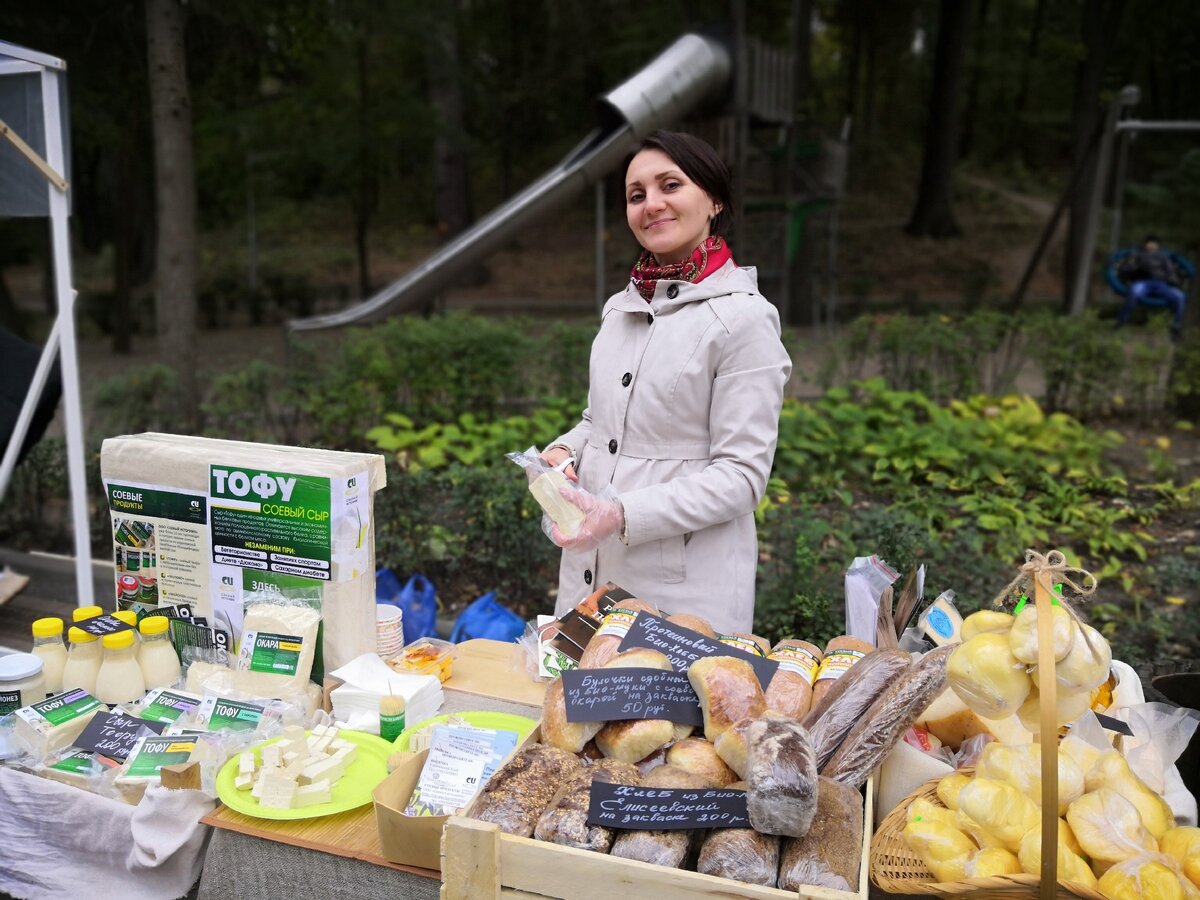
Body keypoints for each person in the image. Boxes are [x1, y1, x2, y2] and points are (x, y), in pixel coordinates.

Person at [539, 130, 792, 635]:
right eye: (636, 195)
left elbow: (742, 478)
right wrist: (563, 453)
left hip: (682, 595)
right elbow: (601, 420)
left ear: (714, 200)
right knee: (574, 706)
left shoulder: (744, 319)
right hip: (591, 572)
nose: (651, 204)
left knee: (666, 716)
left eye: (669, 185)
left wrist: (622, 513)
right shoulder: (620, 308)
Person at [1116, 236, 1188, 337]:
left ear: (1158, 246)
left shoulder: (1163, 257)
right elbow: (1129, 269)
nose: (1151, 245)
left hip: (1161, 284)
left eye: (1154, 243)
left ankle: (1176, 326)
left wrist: (1172, 281)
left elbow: (1170, 272)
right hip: (1144, 282)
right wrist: (1134, 270)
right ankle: (1122, 321)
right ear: (1145, 244)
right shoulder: (1139, 255)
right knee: (1134, 291)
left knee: (1179, 297)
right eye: (1149, 243)